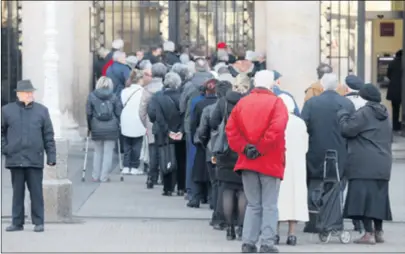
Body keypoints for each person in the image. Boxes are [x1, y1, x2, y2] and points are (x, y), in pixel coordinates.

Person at [225, 70, 289, 253]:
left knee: (253, 204)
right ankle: (267, 243)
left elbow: (231, 130)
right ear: (271, 85)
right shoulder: (277, 103)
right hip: (270, 159)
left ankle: (248, 241)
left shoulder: (242, 103)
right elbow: (277, 129)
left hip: (248, 160)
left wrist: (245, 148)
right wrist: (260, 148)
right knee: (269, 204)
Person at [338, 83, 392, 244]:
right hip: (383, 162)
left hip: (364, 162)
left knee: (364, 198)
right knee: (378, 198)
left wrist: (342, 115)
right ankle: (379, 231)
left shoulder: (364, 113)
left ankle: (368, 234)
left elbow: (347, 130)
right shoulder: (385, 113)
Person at [301, 73, 355, 233]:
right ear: (337, 86)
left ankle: (313, 222)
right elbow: (351, 128)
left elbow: (304, 126)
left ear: (322, 85)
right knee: (336, 186)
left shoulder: (311, 103)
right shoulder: (347, 103)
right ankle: (333, 220)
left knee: (315, 184)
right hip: (339, 150)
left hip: (315, 150)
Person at [2, 79, 56, 232]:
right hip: (15, 158)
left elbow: (48, 135)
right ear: (19, 94)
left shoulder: (41, 111)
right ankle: (17, 222)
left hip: (34, 157)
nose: (30, 95)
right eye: (27, 92)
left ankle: (39, 222)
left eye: (31, 92)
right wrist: (5, 148)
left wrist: (51, 156)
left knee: (36, 192)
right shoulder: (7, 111)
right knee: (17, 193)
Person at [210, 74, 251, 241]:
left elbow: (213, 122)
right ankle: (241, 227)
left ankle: (229, 230)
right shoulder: (249, 102)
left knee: (227, 189)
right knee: (242, 190)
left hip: (226, 150)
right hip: (244, 150)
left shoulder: (223, 101)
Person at [197, 80, 233, 229]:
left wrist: (205, 143)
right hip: (228, 150)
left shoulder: (209, 109)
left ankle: (217, 216)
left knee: (216, 183)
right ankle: (227, 217)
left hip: (212, 148)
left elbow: (202, 131)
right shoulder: (234, 106)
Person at [276, 94, 309, 246]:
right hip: (297, 165)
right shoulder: (300, 123)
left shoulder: (275, 121)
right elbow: (305, 146)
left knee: (277, 198)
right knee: (295, 198)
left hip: (279, 164)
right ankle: (292, 234)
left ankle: (274, 232)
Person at [148, 72, 186, 196]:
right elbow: (186, 115)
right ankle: (181, 187)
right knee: (181, 160)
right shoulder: (183, 96)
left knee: (166, 158)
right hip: (180, 132)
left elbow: (154, 116)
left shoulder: (157, 97)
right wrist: (180, 130)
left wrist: (167, 130)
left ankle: (168, 188)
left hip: (163, 133)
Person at [189, 78, 219, 207]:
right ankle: (212, 199)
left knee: (198, 169)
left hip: (202, 141)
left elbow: (193, 124)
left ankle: (195, 197)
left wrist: (195, 139)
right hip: (215, 142)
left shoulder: (200, 104)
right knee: (213, 172)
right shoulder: (220, 104)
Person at [86, 77, 122, 182]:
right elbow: (118, 112)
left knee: (97, 152)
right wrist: (117, 123)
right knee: (108, 153)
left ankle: (95, 175)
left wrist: (90, 127)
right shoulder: (114, 97)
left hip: (96, 127)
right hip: (111, 128)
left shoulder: (91, 96)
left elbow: (88, 113)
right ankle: (104, 176)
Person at [141, 63, 167, 188]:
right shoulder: (166, 87)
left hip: (151, 122)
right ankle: (164, 175)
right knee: (164, 149)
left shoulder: (147, 89)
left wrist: (145, 123)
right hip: (164, 122)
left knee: (152, 150)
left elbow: (142, 110)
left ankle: (152, 176)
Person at [120, 69, 146, 175]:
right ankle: (134, 166)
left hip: (126, 118)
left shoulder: (124, 91)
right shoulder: (143, 92)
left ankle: (126, 165)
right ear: (140, 79)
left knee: (126, 144)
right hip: (138, 118)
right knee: (137, 144)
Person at [386, 49, 403, 132]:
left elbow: (388, 75)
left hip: (394, 90)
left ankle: (395, 126)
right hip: (403, 89)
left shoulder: (391, 63)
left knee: (395, 109)